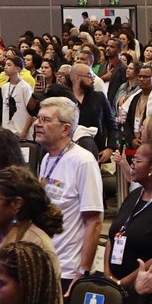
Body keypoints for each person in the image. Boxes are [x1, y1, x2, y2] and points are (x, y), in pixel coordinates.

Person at [31, 95, 105, 284]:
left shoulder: (83, 161)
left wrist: (83, 270)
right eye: (38, 118)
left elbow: (94, 221)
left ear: (65, 128)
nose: (37, 124)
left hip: (68, 270)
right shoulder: (47, 158)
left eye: (45, 120)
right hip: (44, 262)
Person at [105, 133, 152, 290]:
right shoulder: (135, 194)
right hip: (112, 286)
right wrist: (108, 276)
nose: (132, 165)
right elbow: (114, 235)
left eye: (137, 161)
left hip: (145, 289)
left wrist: (122, 283)